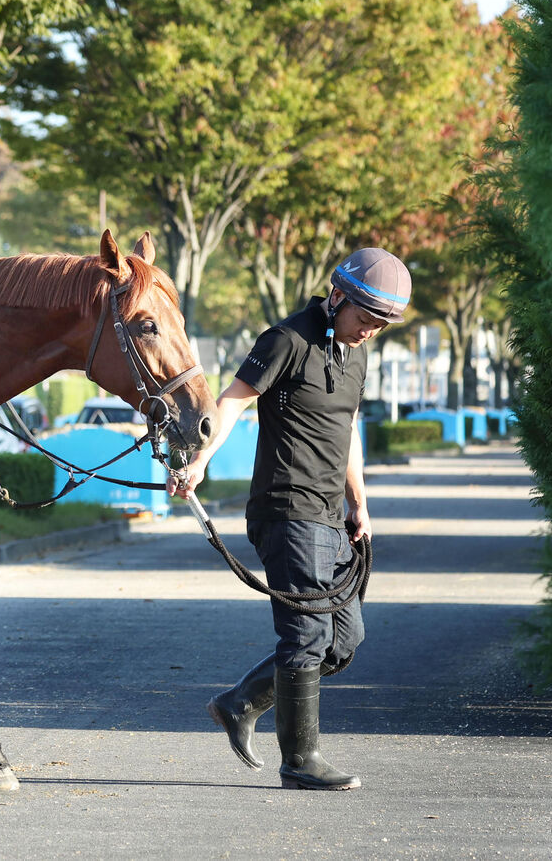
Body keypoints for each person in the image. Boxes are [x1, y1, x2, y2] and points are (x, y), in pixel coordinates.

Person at [169, 248, 411, 791]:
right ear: (338, 296)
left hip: (332, 515)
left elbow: (347, 430)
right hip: (286, 509)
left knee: (343, 640)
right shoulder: (286, 339)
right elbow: (231, 402)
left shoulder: (357, 353)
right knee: (306, 635)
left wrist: (360, 502)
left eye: (380, 325)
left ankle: (239, 703)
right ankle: (300, 761)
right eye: (365, 319)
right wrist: (201, 460)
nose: (370, 332)